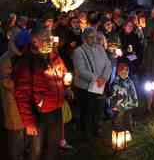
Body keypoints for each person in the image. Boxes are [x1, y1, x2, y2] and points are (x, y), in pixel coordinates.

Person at [14, 27, 67, 160]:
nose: (49, 41)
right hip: (39, 114)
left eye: (50, 38)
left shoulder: (54, 56)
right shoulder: (27, 61)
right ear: (35, 41)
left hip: (56, 108)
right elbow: (22, 94)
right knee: (35, 151)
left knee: (53, 146)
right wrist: (28, 122)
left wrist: (66, 80)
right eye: (45, 39)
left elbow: (63, 71)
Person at [72, 28, 112, 140]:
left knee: (98, 108)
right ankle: (86, 133)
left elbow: (107, 64)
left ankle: (97, 128)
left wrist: (104, 78)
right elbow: (80, 70)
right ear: (84, 39)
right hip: (85, 87)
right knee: (87, 110)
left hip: (100, 85)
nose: (94, 39)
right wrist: (96, 79)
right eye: (91, 37)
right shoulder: (78, 52)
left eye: (95, 37)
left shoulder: (100, 48)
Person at [0, 30, 30, 160]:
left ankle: (24, 152)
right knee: (16, 134)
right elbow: (5, 81)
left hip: (25, 100)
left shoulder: (26, 56)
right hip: (13, 101)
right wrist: (21, 82)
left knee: (26, 132)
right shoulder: (6, 59)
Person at [110, 63, 138, 129]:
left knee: (128, 117)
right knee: (118, 117)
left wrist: (135, 101)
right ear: (119, 72)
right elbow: (113, 95)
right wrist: (114, 105)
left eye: (126, 72)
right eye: (123, 72)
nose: (125, 74)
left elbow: (133, 92)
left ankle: (128, 127)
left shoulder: (130, 82)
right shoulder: (116, 82)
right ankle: (117, 128)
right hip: (119, 105)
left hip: (128, 104)